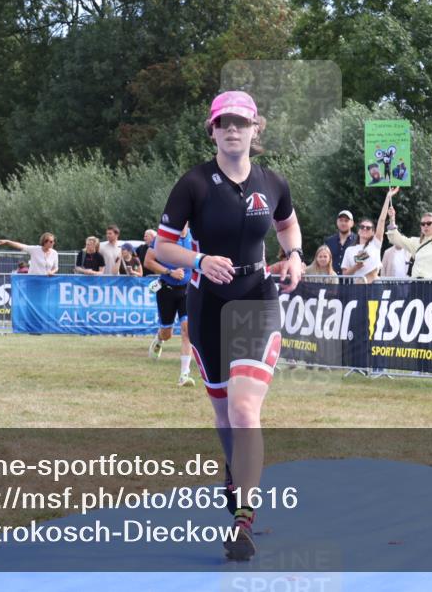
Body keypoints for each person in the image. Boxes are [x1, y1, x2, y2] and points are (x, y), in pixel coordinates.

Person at [153, 90, 303, 561]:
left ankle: (244, 519)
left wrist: (294, 256)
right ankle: (236, 472)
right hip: (208, 305)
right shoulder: (194, 184)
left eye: (241, 122)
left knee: (243, 410)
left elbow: (287, 226)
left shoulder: (273, 181)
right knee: (223, 417)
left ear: (256, 128)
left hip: (256, 298)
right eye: (224, 123)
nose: (233, 130)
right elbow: (161, 248)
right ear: (212, 130)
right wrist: (198, 258)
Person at [144, 223, 196, 386]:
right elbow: (148, 261)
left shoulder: (195, 236)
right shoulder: (163, 237)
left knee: (188, 330)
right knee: (167, 332)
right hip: (166, 289)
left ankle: (184, 375)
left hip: (187, 290)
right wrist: (169, 272)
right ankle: (159, 339)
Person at [341, 188, 395, 284]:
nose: (365, 229)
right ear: (358, 231)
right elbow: (344, 275)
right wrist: (356, 267)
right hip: (357, 288)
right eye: (362, 227)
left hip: (374, 287)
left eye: (368, 228)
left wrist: (387, 198)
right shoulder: (349, 250)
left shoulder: (375, 244)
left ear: (373, 232)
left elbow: (382, 220)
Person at [324, 210, 357, 275]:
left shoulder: (358, 241)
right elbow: (321, 259)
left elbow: (363, 263)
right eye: (341, 220)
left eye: (346, 221)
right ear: (337, 222)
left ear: (352, 223)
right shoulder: (329, 241)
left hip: (352, 282)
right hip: (332, 281)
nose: (343, 223)